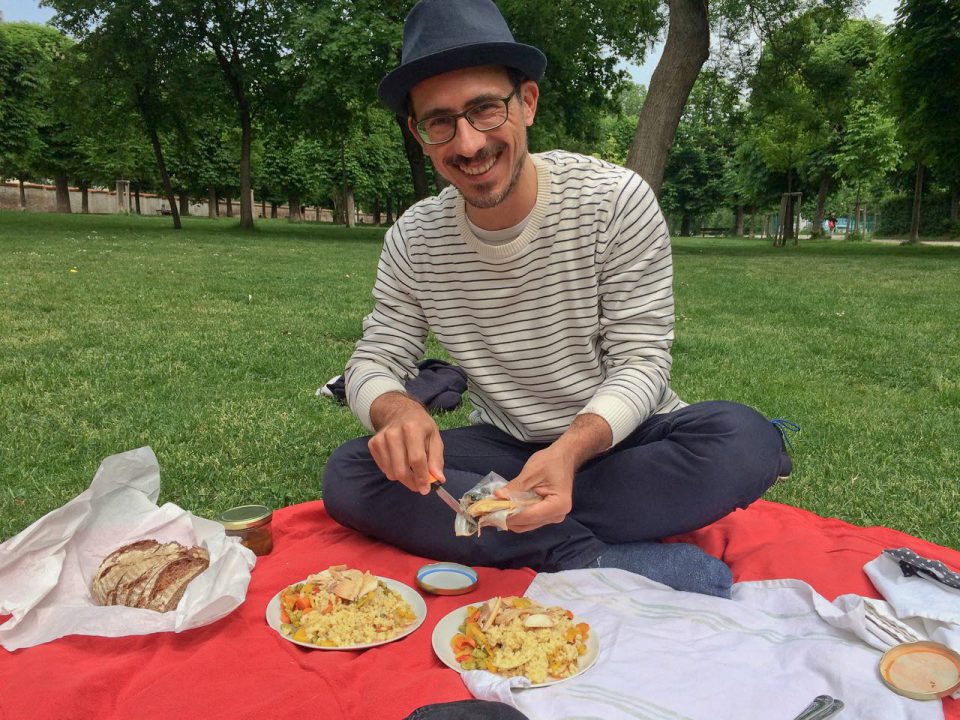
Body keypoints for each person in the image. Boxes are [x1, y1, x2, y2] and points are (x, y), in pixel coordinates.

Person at [322, 0, 792, 598]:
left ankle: (514, 527)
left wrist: (569, 452)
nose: (468, 144)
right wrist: (397, 410)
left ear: (528, 104)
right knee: (352, 472)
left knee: (745, 442)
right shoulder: (415, 238)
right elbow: (375, 358)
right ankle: (580, 553)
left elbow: (642, 363)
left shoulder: (615, 201)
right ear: (420, 134)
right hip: (506, 440)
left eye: (485, 110)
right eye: (441, 122)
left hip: (619, 441)